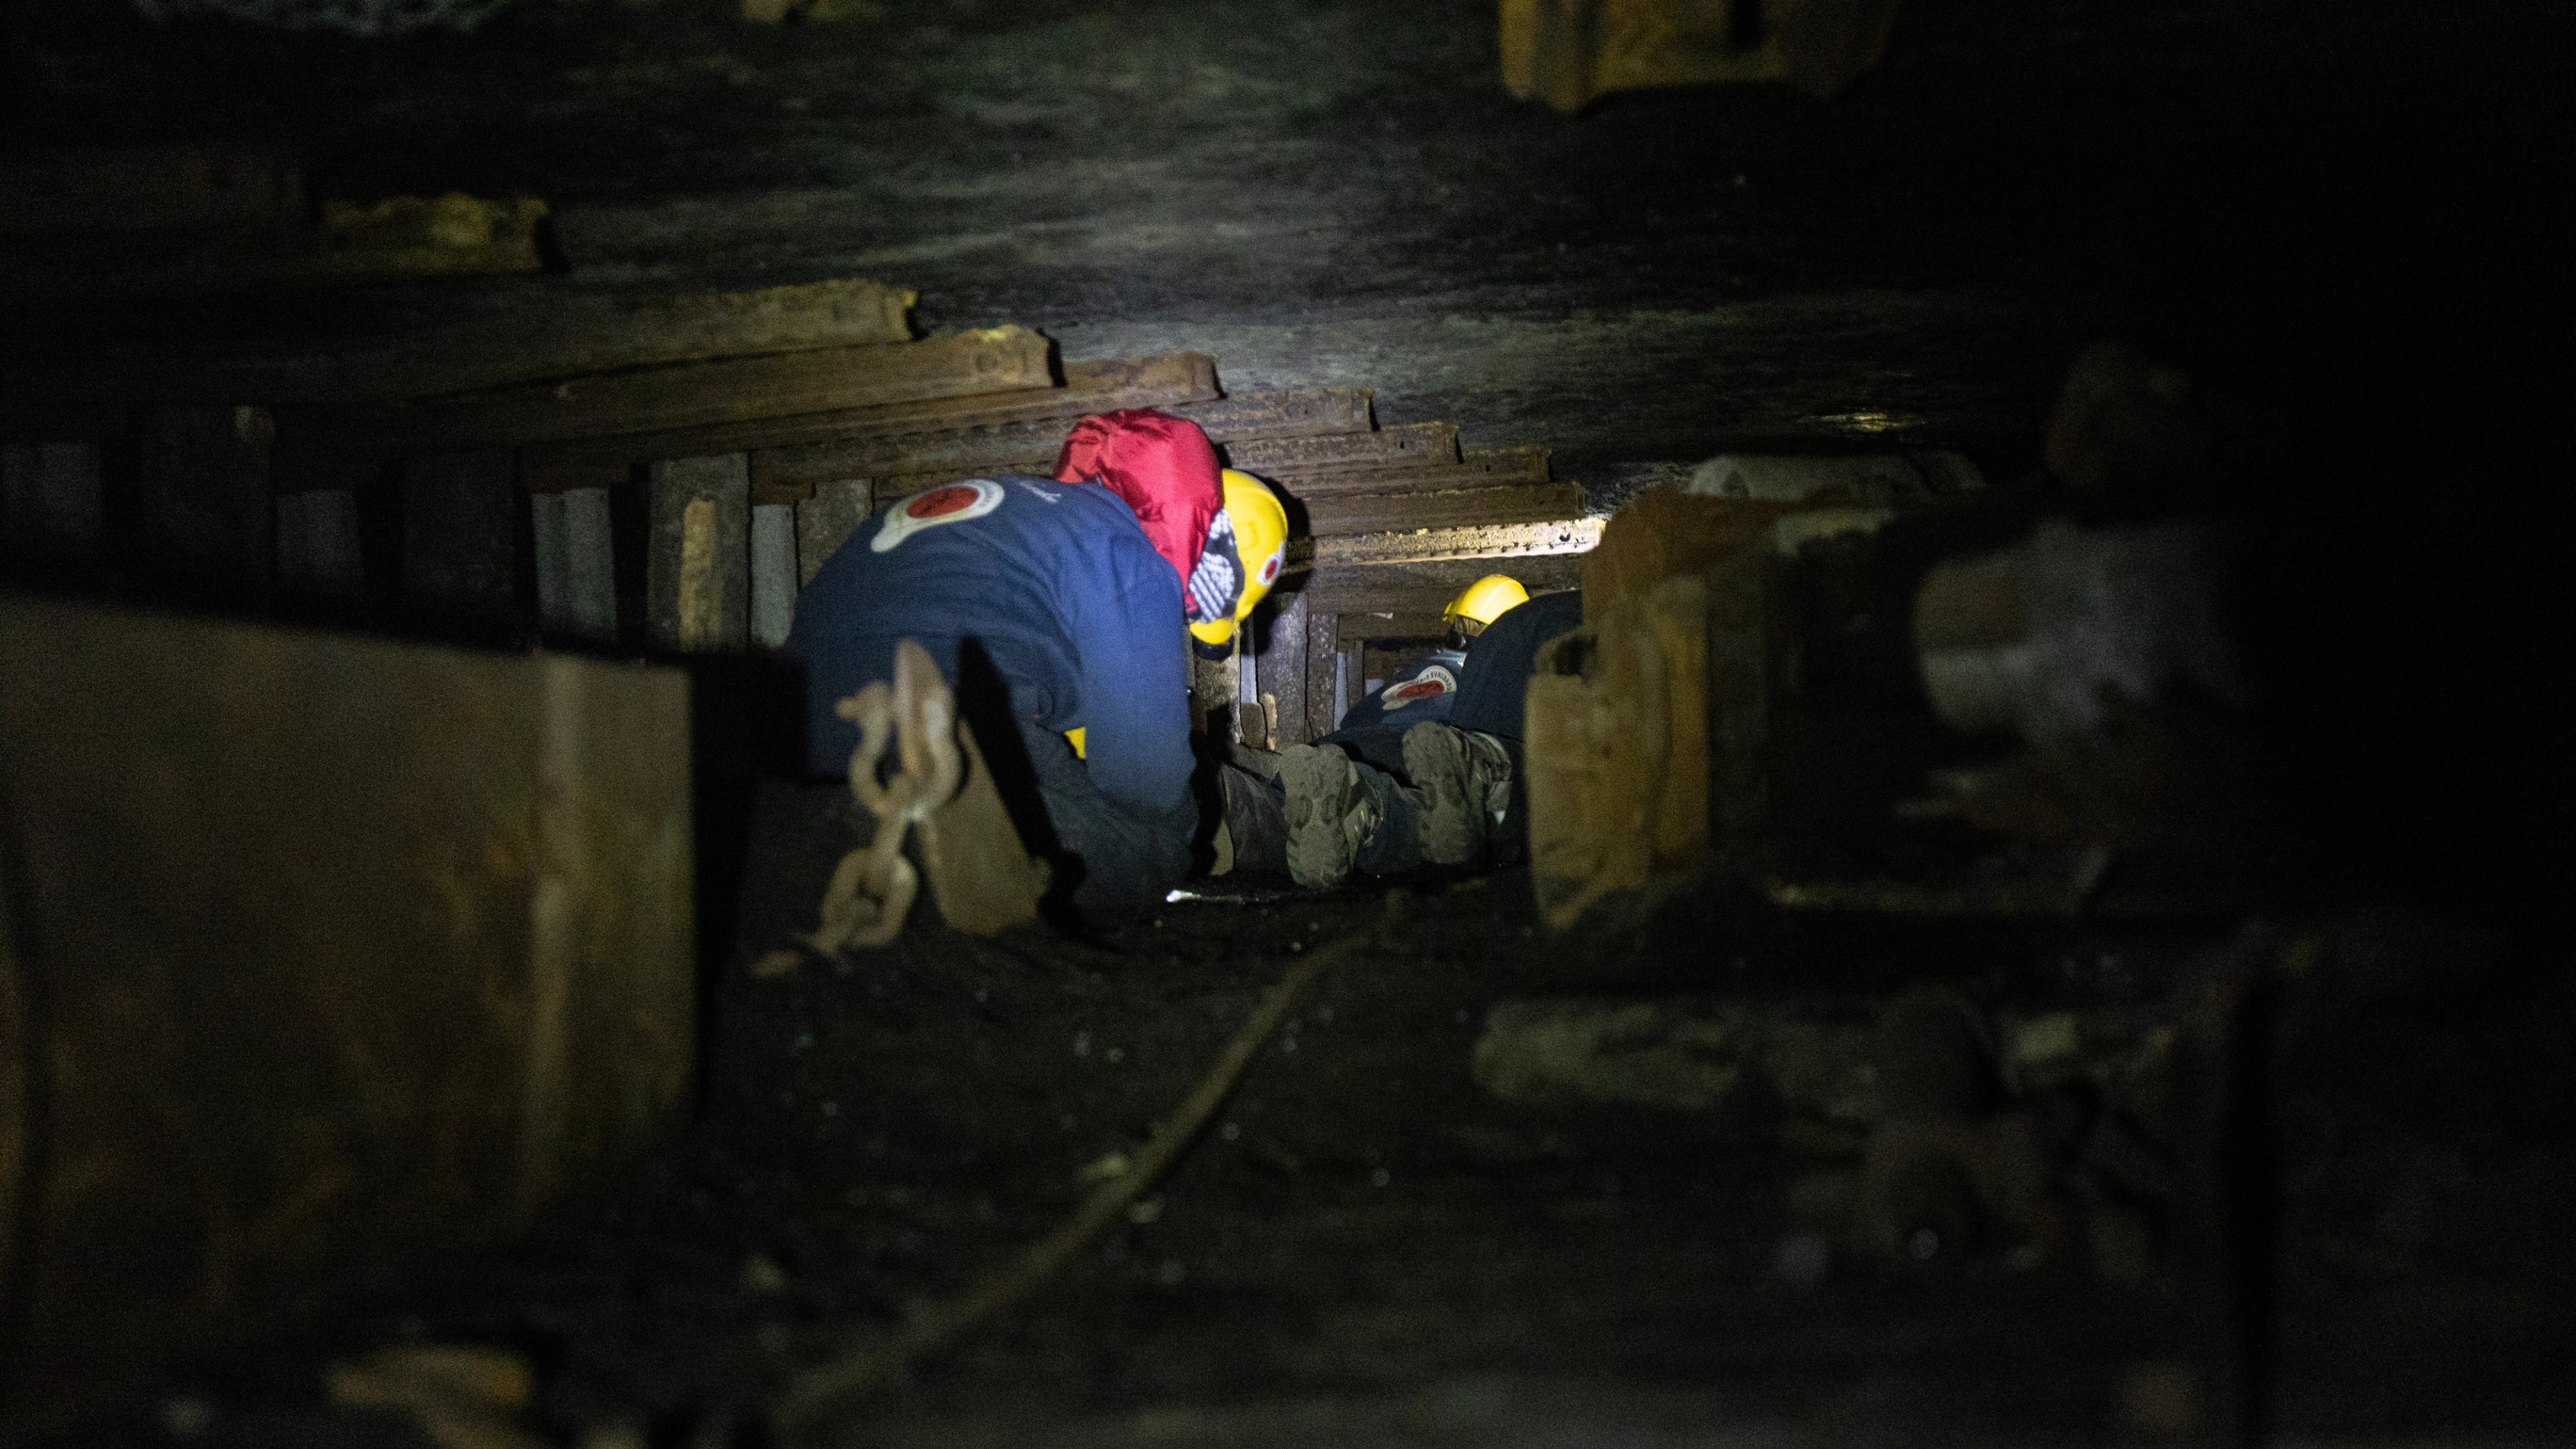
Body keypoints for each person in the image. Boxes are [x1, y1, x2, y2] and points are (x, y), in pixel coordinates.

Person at [784, 409, 1286, 920]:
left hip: (800, 723)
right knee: (1155, 844)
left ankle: (826, 825)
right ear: (1216, 568)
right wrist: (1189, 825)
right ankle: (923, 852)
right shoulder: (1134, 558)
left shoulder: (1039, 507)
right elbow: (1147, 781)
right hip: (945, 724)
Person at [1218, 576, 1584, 889]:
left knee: (1277, 788)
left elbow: (1355, 718)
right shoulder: (1502, 667)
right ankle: (1365, 811)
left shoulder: (1422, 670)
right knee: (1408, 807)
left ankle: (1216, 786)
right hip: (1426, 752)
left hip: (1344, 745)